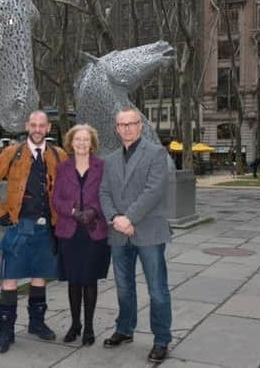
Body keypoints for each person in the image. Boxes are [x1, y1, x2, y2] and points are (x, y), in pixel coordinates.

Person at [0, 110, 68, 354]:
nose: (38, 129)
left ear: (48, 127)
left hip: (46, 228)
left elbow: (68, 186)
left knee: (40, 276)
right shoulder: (12, 153)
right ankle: (5, 331)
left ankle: (37, 323)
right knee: (10, 279)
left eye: (42, 125)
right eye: (34, 125)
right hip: (20, 226)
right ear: (27, 126)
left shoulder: (58, 154)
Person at [99, 106, 172, 364]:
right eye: (122, 125)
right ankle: (124, 328)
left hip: (149, 231)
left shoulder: (155, 153)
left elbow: (153, 191)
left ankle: (162, 339)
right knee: (123, 287)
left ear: (140, 126)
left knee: (157, 290)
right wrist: (115, 220)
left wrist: (128, 218)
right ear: (117, 129)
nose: (127, 128)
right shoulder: (109, 159)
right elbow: (104, 193)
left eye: (131, 123)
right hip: (119, 234)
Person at [52, 124, 110, 346]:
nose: (82, 143)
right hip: (70, 231)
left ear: (92, 143)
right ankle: (75, 324)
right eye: (78, 139)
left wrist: (93, 211)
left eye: (86, 140)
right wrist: (74, 212)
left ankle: (89, 327)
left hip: (94, 231)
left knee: (90, 280)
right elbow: (56, 199)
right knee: (74, 281)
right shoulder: (63, 168)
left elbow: (108, 195)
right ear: (71, 142)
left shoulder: (102, 167)